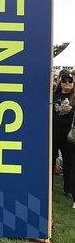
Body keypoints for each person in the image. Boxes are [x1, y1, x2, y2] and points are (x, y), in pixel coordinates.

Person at [53, 73, 75, 206]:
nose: (67, 84)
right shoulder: (54, 95)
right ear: (60, 82)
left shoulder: (74, 97)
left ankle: (68, 188)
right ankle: (48, 185)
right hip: (54, 132)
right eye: (65, 81)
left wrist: (71, 110)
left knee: (68, 162)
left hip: (68, 136)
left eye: (70, 82)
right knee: (51, 159)